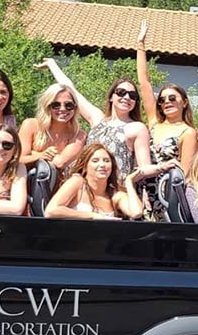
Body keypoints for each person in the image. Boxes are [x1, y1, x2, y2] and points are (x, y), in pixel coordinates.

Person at [37, 58, 167, 182]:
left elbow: (144, 167)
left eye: (132, 96)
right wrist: (52, 65)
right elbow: (72, 91)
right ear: (111, 97)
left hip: (115, 189)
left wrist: (162, 167)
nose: (127, 97)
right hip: (86, 185)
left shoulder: (137, 128)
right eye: (121, 92)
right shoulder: (97, 119)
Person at [135, 21, 198, 221]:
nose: (166, 102)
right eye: (162, 100)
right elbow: (144, 82)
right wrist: (140, 45)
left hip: (166, 196)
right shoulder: (154, 123)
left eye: (172, 98)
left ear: (184, 102)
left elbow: (184, 174)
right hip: (143, 191)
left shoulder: (188, 132)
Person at [45, 144, 143, 220]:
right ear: (85, 166)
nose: (102, 165)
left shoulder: (114, 195)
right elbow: (51, 211)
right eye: (95, 161)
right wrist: (92, 216)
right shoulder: (77, 182)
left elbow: (136, 212)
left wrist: (129, 182)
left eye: (106, 161)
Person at [17, 83, 87, 174]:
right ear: (47, 106)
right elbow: (19, 159)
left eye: (68, 105)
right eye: (56, 105)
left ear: (75, 107)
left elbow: (59, 163)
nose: (62, 109)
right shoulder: (30, 125)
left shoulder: (79, 136)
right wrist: (40, 155)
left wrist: (33, 153)